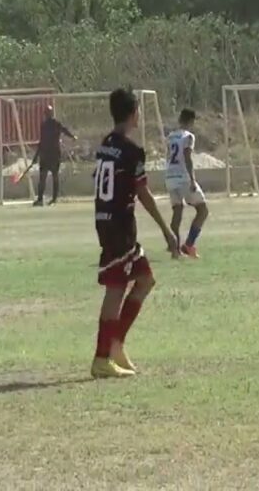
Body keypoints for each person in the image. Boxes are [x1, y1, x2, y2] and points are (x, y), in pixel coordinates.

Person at [91, 88, 178, 379]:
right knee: (116, 289)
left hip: (105, 219)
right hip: (120, 226)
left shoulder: (106, 145)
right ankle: (102, 358)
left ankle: (116, 344)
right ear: (133, 113)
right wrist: (167, 231)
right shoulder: (131, 151)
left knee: (145, 279)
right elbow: (143, 193)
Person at [165, 109, 209, 258]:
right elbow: (187, 156)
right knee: (203, 210)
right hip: (183, 177)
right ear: (191, 121)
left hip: (170, 176)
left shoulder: (170, 136)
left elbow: (168, 156)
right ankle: (188, 245)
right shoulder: (188, 136)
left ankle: (174, 250)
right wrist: (192, 179)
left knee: (177, 211)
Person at [32, 105, 76, 206]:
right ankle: (50, 199)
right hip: (52, 154)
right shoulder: (52, 124)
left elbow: (42, 142)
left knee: (46, 177)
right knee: (51, 177)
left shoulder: (49, 124)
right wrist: (72, 136)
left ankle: (43, 199)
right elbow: (64, 131)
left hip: (49, 154)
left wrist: (36, 156)